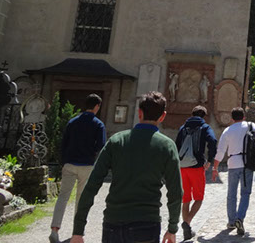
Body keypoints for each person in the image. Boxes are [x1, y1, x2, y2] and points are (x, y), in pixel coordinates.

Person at [71, 92, 182, 243]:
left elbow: (92, 184)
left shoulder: (116, 141)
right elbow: (175, 191)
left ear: (139, 113)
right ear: (163, 116)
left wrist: (78, 230)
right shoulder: (167, 146)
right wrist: (172, 228)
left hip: (113, 222)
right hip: (146, 223)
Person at [50, 94, 106, 243]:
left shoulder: (72, 122)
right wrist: (92, 153)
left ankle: (55, 229)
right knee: (81, 199)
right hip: (86, 165)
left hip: (70, 163)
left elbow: (64, 142)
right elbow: (101, 145)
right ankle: (77, 232)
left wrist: (64, 161)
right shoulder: (98, 124)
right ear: (96, 107)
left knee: (63, 197)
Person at [211, 106, 255, 236]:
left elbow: (221, 151)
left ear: (232, 118)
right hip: (248, 164)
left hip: (233, 163)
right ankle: (240, 218)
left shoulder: (228, 130)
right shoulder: (251, 126)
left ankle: (231, 221)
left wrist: (215, 168)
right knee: (245, 193)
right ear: (244, 116)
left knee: (231, 194)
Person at [175, 106, 217, 240]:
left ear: (191, 114)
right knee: (198, 198)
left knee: (185, 199)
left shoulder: (183, 128)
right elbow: (213, 141)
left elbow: (176, 145)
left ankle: (186, 228)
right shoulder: (205, 128)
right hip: (197, 166)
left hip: (182, 167)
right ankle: (187, 223)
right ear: (204, 116)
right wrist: (210, 160)